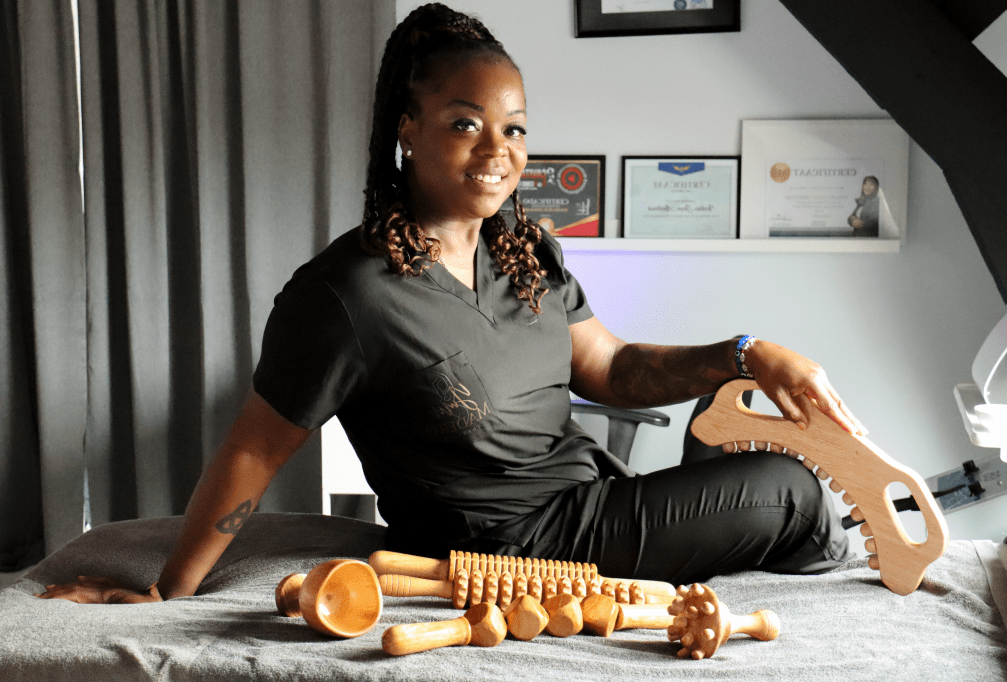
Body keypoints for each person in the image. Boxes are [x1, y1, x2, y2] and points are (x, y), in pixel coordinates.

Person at [39, 3, 860, 605]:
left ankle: (802, 555)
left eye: (514, 129)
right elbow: (252, 451)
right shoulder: (346, 294)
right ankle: (844, 562)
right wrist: (168, 592)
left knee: (726, 407)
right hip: (509, 548)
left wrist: (746, 353)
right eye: (466, 124)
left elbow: (610, 368)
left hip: (590, 505)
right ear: (408, 129)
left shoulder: (522, 250)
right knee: (790, 490)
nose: (498, 151)